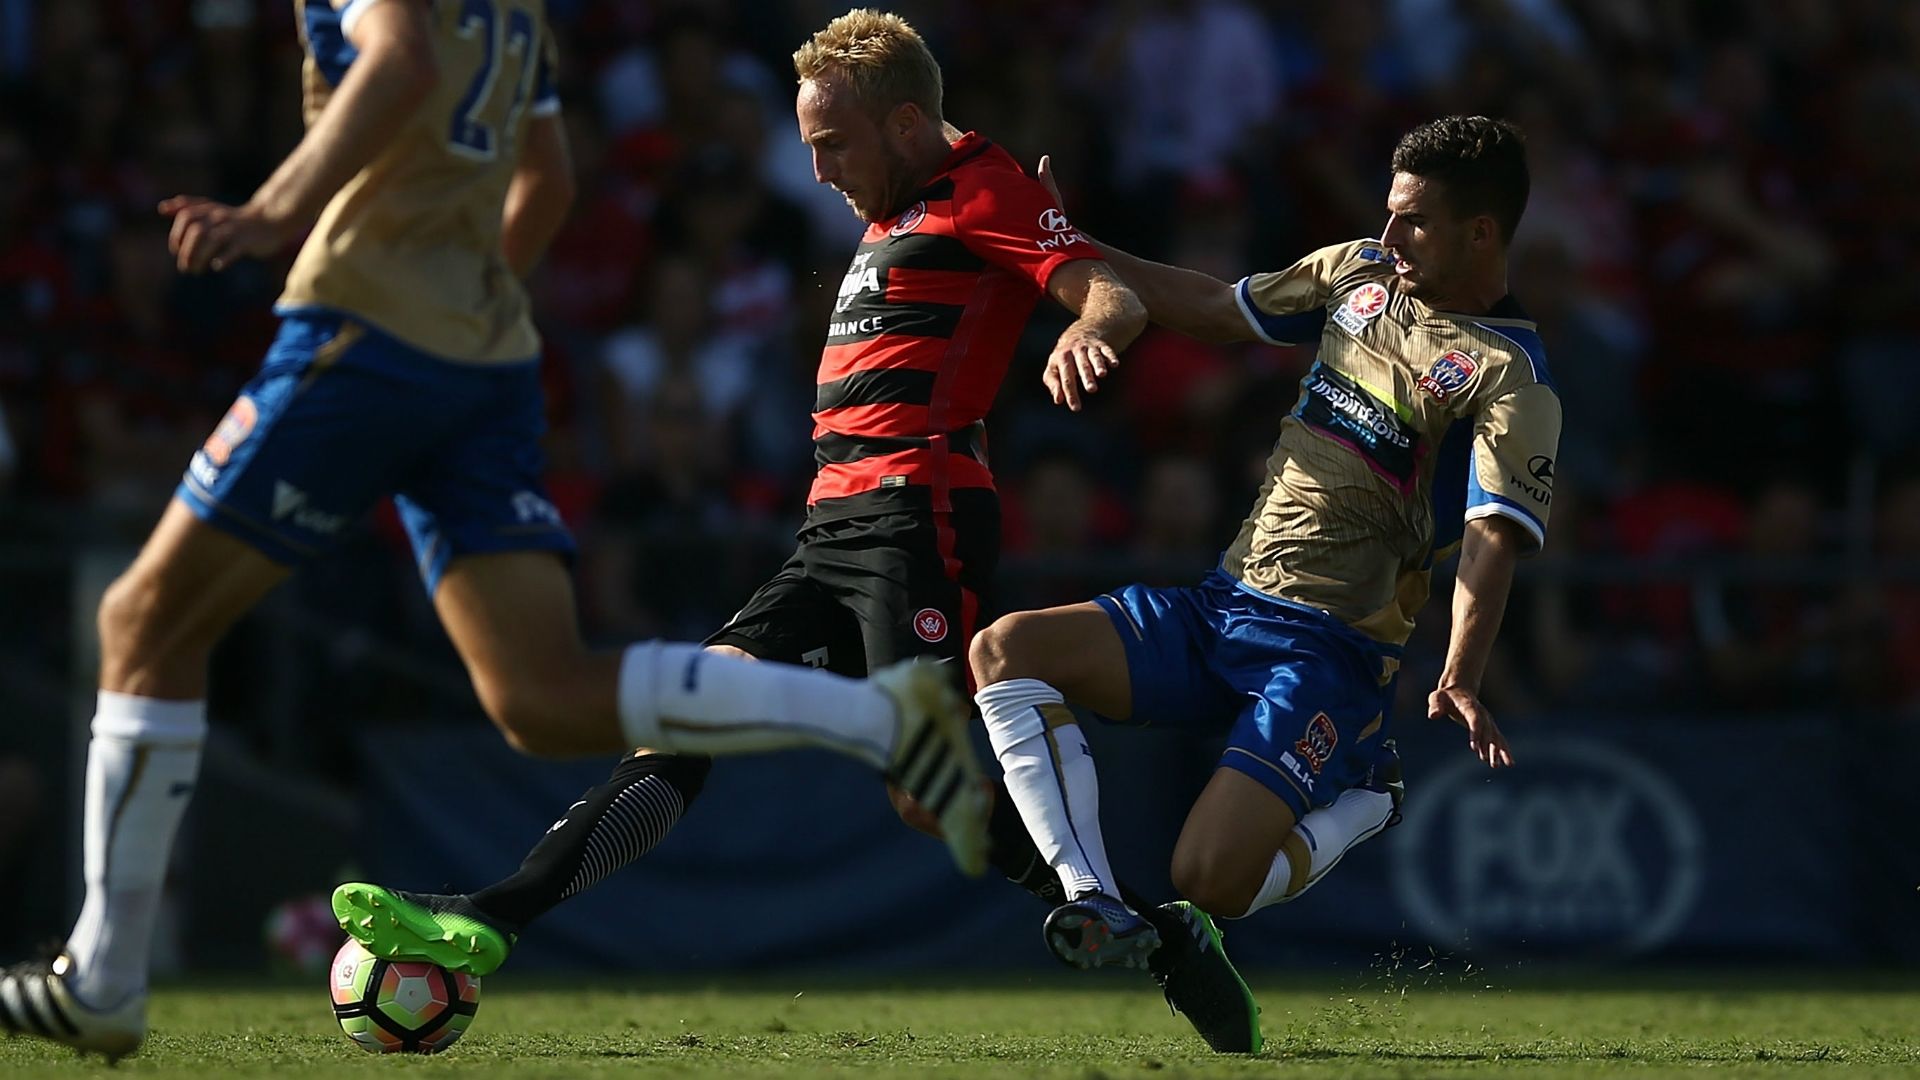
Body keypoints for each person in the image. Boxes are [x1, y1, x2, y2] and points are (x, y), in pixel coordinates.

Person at [0, 2, 992, 1060]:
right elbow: (549, 178)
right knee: (542, 696)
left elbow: (401, 56)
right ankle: (883, 721)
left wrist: (272, 210)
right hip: (485, 356)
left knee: (142, 619)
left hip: (364, 324)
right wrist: (466, 308)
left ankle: (104, 976)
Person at [325, 8, 1270, 1057]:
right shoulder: (912, 200)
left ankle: (1156, 931)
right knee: (691, 724)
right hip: (829, 531)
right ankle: (491, 915)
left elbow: (1108, 294)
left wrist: (1091, 326)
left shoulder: (982, 189)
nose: (816, 170)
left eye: (833, 143)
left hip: (919, 519)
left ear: (907, 122)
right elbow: (1097, 266)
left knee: (923, 787)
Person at [970, 117, 1557, 1016]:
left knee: (1205, 879)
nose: (1389, 236)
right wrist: (1070, 247)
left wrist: (1461, 673)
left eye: (1416, 223)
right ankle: (1092, 902)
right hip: (1223, 606)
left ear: (1482, 232)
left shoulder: (1510, 374)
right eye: (1390, 215)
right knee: (1005, 650)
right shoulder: (1358, 271)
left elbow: (1492, 534)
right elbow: (1213, 307)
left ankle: (1370, 798)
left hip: (1329, 655)